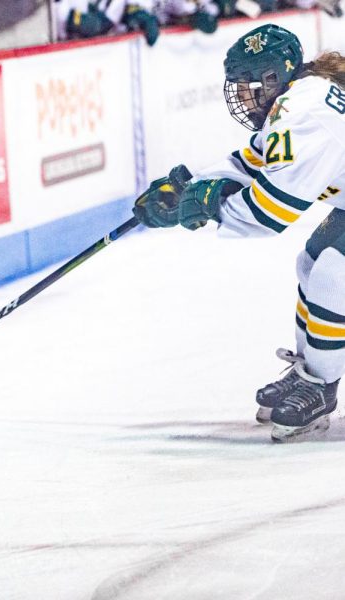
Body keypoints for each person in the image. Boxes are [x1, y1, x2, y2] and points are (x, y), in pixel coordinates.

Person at [133, 24, 345, 443]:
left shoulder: (304, 113)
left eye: (247, 87)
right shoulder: (298, 96)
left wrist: (211, 206)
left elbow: (272, 211)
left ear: (272, 77)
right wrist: (187, 186)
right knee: (313, 262)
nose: (242, 99)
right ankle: (312, 373)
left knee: (334, 275)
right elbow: (252, 163)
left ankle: (319, 386)